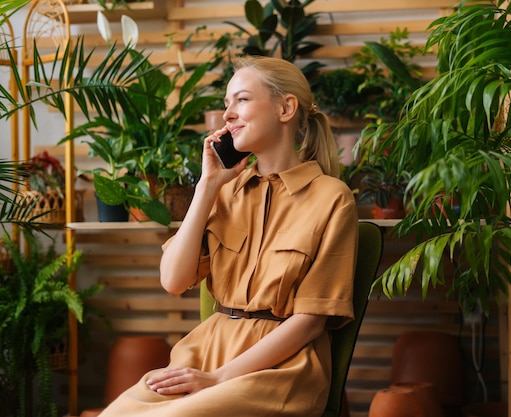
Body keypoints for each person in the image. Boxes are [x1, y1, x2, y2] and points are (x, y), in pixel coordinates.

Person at [98, 56, 359, 417]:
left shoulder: (332, 198)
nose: (227, 115)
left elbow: (310, 321)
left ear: (286, 108)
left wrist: (219, 378)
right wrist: (207, 186)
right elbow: (173, 280)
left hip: (280, 367)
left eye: (242, 100)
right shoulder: (224, 192)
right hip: (206, 350)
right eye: (226, 104)